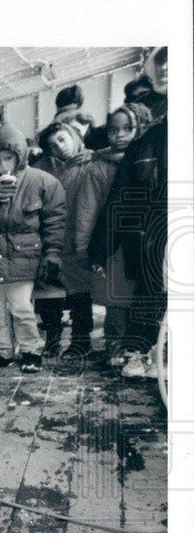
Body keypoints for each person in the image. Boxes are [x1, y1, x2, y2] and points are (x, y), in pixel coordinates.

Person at [0, 124, 66, 374]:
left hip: (24, 257)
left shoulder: (42, 181)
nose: (1, 166)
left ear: (20, 155)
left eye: (7, 158)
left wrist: (51, 253)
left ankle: (31, 351)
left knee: (21, 307)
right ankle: (2, 351)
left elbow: (55, 221)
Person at [88, 49, 167, 379]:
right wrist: (100, 248)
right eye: (160, 64)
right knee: (148, 298)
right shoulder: (148, 142)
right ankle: (144, 353)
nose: (164, 70)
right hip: (152, 242)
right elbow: (124, 200)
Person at [74, 103, 153, 364]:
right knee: (116, 300)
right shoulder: (97, 167)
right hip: (109, 243)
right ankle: (115, 349)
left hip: (144, 241)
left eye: (127, 128)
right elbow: (86, 209)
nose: (119, 135)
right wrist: (84, 247)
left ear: (141, 128)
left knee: (141, 299)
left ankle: (139, 352)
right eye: (113, 130)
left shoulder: (151, 159)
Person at [34, 121, 93, 357]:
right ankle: (52, 336)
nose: (59, 146)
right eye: (52, 144)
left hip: (79, 237)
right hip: (51, 238)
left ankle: (81, 340)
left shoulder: (91, 162)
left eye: (62, 138)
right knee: (49, 290)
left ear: (73, 136)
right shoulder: (42, 169)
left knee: (80, 292)